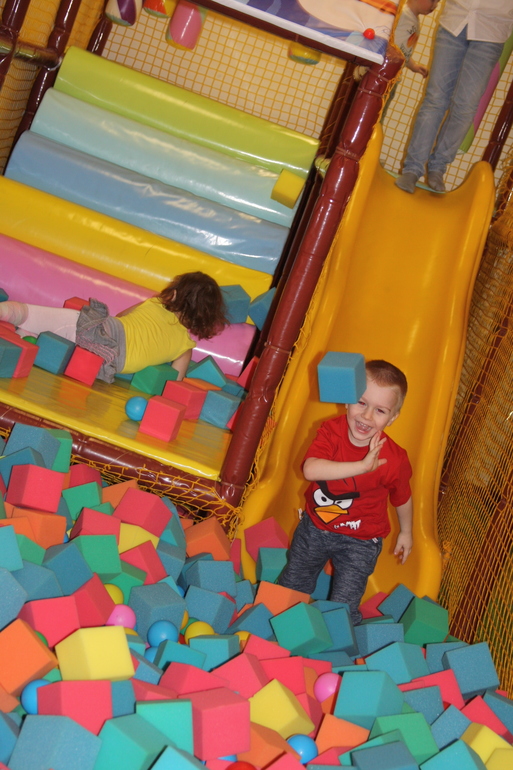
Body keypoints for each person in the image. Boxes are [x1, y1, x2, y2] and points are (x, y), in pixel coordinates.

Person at [278, 359, 413, 626]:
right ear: (348, 399)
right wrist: (361, 466)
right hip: (316, 527)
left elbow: (402, 498)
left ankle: (338, 643)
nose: (366, 416)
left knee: (344, 604)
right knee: (292, 585)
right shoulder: (331, 432)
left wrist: (406, 532)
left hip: (361, 540)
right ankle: (281, 629)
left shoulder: (395, 459)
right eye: (361, 403)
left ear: (392, 417)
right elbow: (310, 469)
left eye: (380, 410)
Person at [0, 271, 227, 384]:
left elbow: (121, 316)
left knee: (25, 313)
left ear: (174, 294)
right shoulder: (185, 348)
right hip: (106, 364)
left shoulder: (156, 303)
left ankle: (11, 316)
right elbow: (171, 383)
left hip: (97, 332)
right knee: (38, 333)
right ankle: (24, 336)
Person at [395, 0, 513, 194]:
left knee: (466, 107)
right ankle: (412, 169)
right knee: (435, 99)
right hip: (454, 21)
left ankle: (438, 166)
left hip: (492, 30)